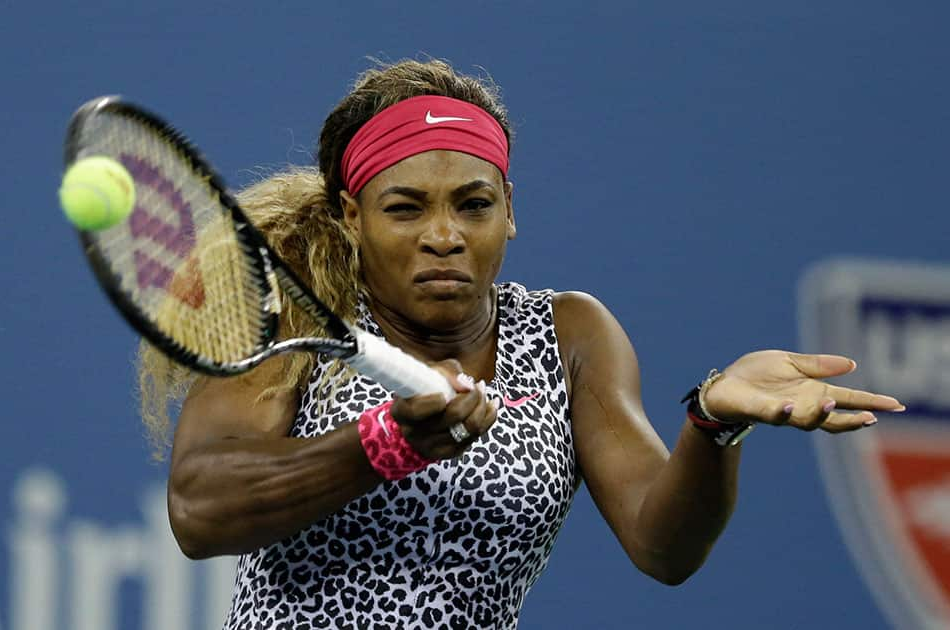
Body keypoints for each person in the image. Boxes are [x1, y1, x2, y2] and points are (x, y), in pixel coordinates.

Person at [136, 58, 904, 630]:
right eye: (405, 209)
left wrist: (712, 422)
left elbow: (662, 547)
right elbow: (201, 510)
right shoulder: (295, 319)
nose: (444, 236)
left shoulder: (569, 332)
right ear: (350, 216)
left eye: (473, 205)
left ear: (509, 211)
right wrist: (384, 444)